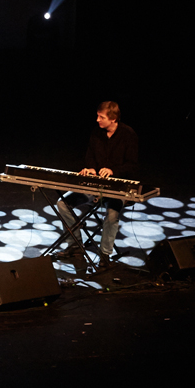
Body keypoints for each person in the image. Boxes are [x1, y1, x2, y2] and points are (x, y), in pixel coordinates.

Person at [57, 102, 139, 268]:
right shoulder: (96, 132)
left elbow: (131, 165)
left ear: (113, 119)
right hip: (95, 186)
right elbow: (90, 157)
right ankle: (75, 245)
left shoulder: (128, 134)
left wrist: (112, 171)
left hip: (117, 188)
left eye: (101, 117)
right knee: (62, 204)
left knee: (112, 215)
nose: (97, 120)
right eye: (98, 116)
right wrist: (91, 169)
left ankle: (105, 254)